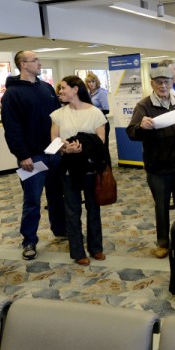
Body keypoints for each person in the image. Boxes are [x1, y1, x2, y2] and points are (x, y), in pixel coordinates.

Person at [1, 51, 66, 261]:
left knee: (57, 196)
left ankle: (60, 230)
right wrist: (22, 155)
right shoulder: (12, 94)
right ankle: (29, 240)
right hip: (32, 158)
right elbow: (12, 129)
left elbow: (58, 119)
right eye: (35, 60)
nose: (40, 63)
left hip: (54, 152)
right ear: (23, 64)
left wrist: (61, 144)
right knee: (32, 201)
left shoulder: (46, 87)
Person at [127, 67, 175, 259]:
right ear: (152, 84)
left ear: (172, 82)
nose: (163, 86)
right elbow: (131, 132)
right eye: (159, 82)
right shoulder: (144, 106)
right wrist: (141, 127)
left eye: (167, 82)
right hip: (158, 167)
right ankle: (163, 242)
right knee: (161, 206)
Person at [51, 76, 107, 266]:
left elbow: (101, 142)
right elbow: (54, 141)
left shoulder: (95, 113)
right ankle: (77, 251)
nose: (60, 92)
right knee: (72, 211)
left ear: (75, 89)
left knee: (93, 208)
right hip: (68, 169)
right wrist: (65, 149)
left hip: (90, 168)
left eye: (63, 88)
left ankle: (96, 247)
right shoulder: (58, 114)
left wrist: (82, 147)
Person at [85, 72, 112, 163]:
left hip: (102, 123)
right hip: (92, 124)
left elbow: (106, 110)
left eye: (93, 81)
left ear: (96, 82)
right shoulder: (88, 94)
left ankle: (108, 173)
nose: (91, 84)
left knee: (104, 148)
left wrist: (94, 112)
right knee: (96, 148)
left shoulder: (101, 93)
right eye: (89, 82)